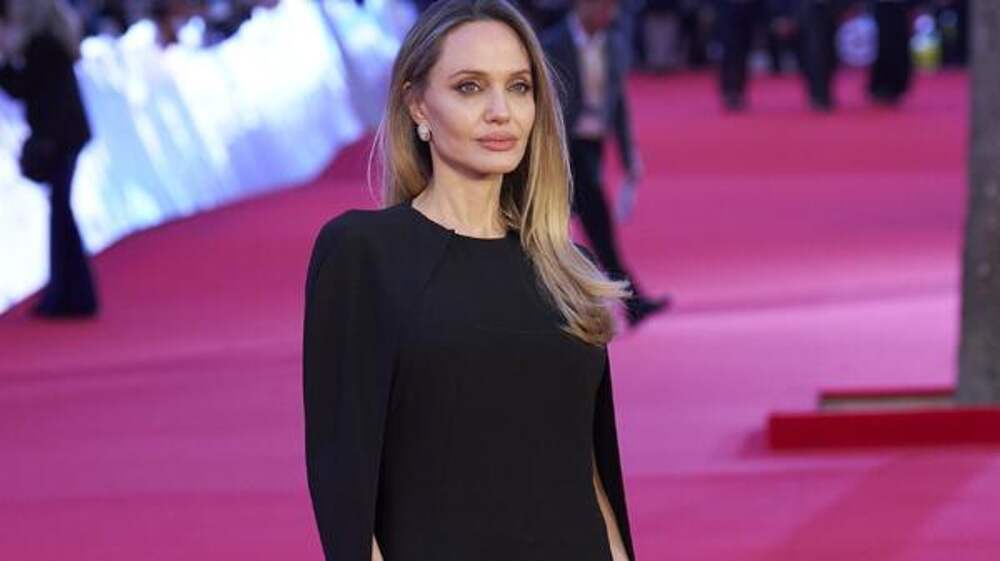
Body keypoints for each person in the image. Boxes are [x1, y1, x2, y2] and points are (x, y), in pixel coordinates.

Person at [303, 1, 639, 560]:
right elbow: (346, 481)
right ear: (417, 105)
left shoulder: (565, 268)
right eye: (469, 87)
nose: (501, 112)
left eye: (519, 87)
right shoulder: (364, 253)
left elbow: (588, 472)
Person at [540, 0, 670, 328]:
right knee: (582, 225)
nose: (609, 15)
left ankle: (626, 301)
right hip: (563, 147)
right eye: (604, 6)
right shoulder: (552, 44)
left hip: (592, 144)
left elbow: (619, 103)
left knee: (584, 227)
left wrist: (628, 155)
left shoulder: (614, 43)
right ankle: (625, 300)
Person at [0, 0, 98, 318]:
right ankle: (72, 293)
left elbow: (22, 87)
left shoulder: (42, 46)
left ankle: (69, 294)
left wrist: (4, 63)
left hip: (58, 138)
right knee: (61, 214)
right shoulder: (54, 43)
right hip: (66, 135)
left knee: (61, 215)